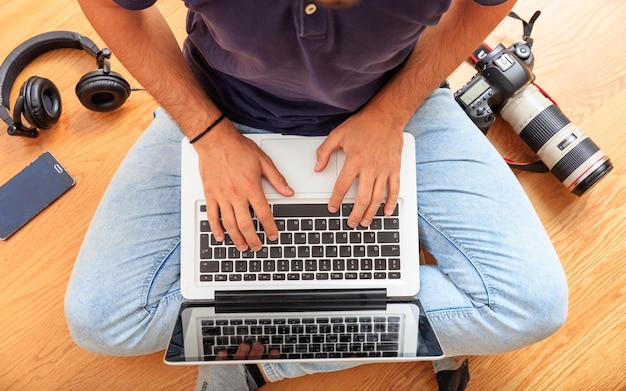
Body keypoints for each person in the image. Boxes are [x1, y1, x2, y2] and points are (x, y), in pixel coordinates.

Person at [64, 0, 568, 390]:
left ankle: (265, 363)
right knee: (101, 319)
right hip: (216, 103)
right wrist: (208, 133)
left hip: (396, 99)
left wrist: (390, 113)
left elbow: (487, 4)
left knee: (531, 305)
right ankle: (406, 324)